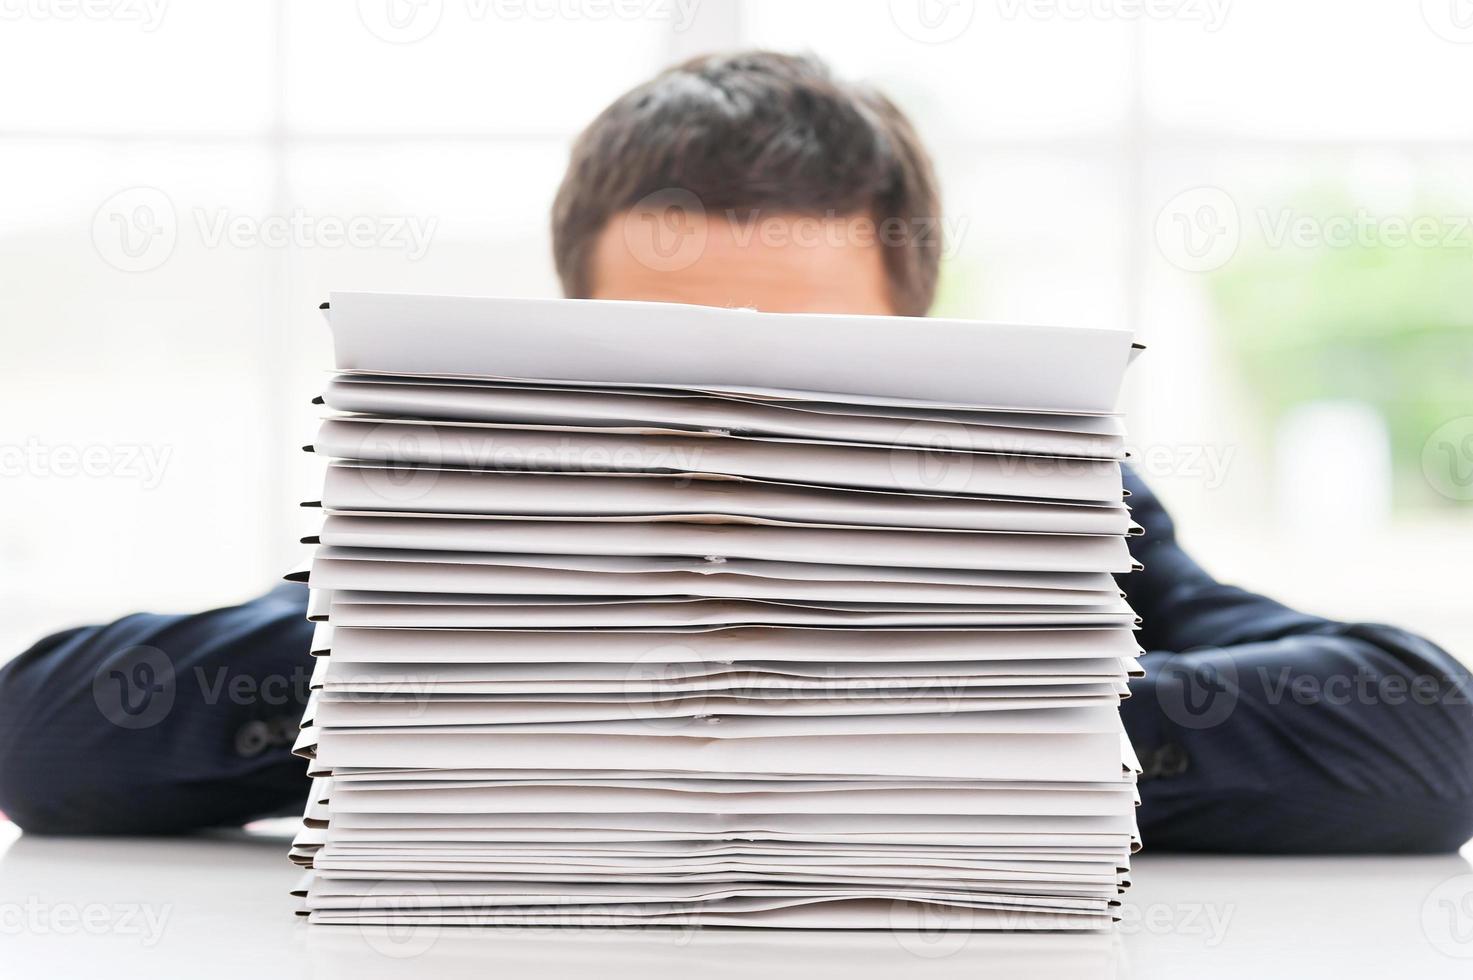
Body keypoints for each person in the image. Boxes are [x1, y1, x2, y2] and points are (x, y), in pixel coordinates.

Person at [2, 51, 1470, 851]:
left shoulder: (1037, 497)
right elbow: (45, 738)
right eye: (665, 360)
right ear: (566, 333)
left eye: (808, 367)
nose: (734, 426)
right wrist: (463, 651)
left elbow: (1425, 731)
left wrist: (937, 708)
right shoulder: (466, 511)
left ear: (921, 342)